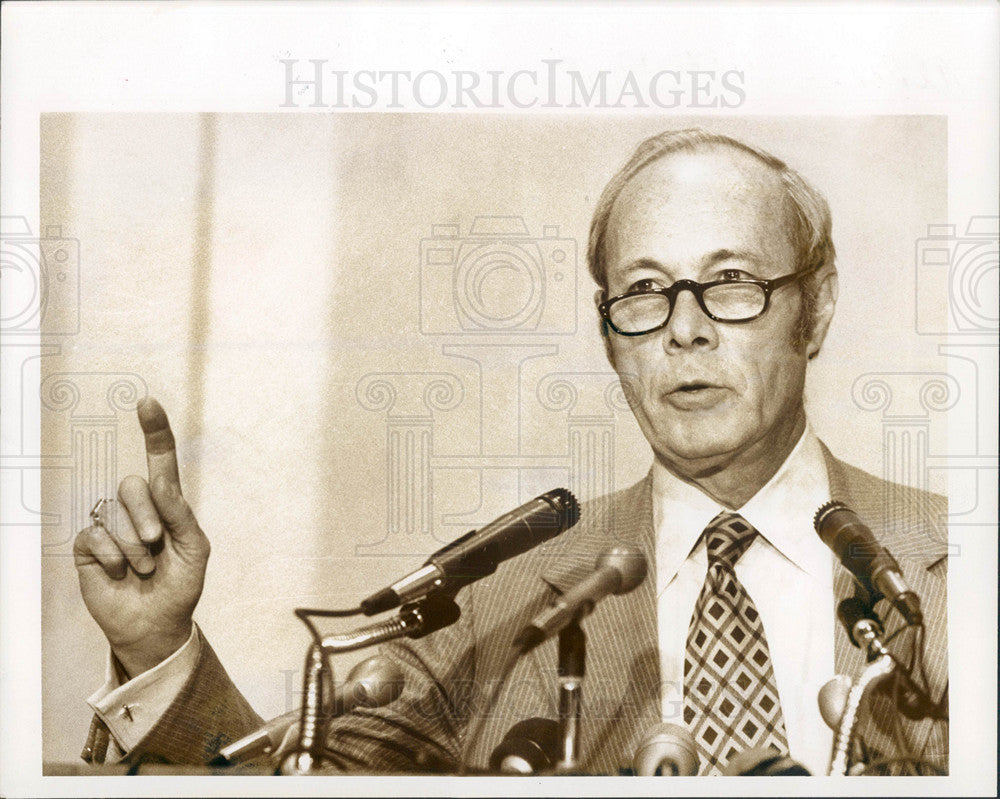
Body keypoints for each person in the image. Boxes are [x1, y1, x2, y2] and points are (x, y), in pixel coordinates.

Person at [73, 128, 948, 776]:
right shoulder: (500, 602)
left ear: (817, 307)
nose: (684, 328)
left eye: (730, 283)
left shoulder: (957, 567)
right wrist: (161, 648)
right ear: (611, 337)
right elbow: (301, 784)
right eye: (643, 291)